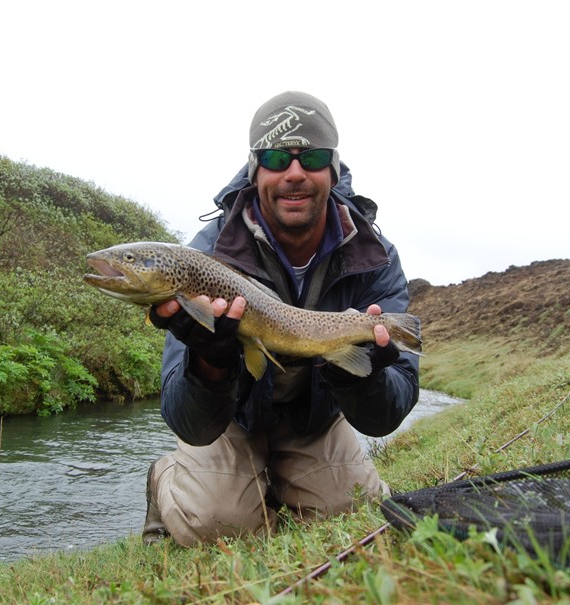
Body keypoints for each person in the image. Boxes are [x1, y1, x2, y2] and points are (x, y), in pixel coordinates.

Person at [143, 91, 420, 546]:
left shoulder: (374, 256)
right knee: (216, 525)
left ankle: (278, 484)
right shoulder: (204, 258)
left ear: (332, 168)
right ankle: (165, 477)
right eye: (276, 157)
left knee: (349, 517)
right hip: (233, 417)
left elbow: (387, 414)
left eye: (311, 157)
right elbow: (185, 420)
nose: (295, 172)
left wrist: (361, 376)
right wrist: (210, 366)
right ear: (256, 170)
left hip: (314, 418)